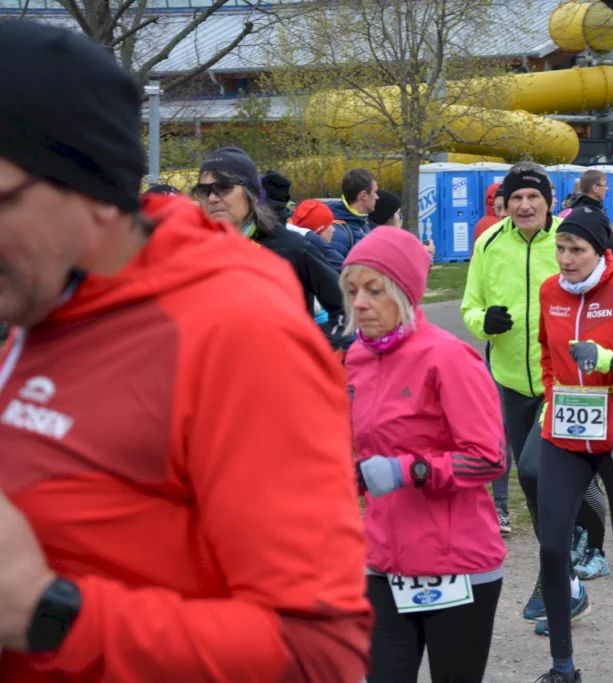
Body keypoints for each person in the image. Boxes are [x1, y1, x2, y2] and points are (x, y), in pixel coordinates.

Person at [0, 21, 372, 681]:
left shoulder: (233, 331)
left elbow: (319, 655)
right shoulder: (31, 294)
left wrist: (51, 613)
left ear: (90, 192)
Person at [344, 226, 505, 683]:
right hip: (383, 560)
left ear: (405, 293)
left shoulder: (448, 358)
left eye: (374, 290)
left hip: (456, 563)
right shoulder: (356, 358)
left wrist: (409, 469)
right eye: (352, 290)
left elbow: (489, 457)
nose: (360, 303)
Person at [461, 162, 601, 621]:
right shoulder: (488, 242)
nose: (524, 205)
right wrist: (486, 322)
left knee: (540, 475)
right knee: (531, 477)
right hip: (508, 380)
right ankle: (561, 574)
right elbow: (470, 306)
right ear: (506, 203)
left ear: (549, 202)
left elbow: (601, 293)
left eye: (533, 197)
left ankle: (561, 569)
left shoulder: (570, 237)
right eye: (517, 197)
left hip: (560, 381)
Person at [533, 205, 613, 683]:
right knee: (551, 548)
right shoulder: (550, 290)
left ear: (600, 251)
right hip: (565, 434)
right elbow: (546, 352)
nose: (566, 259)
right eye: (560, 248)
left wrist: (611, 361)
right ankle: (562, 667)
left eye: (577, 250)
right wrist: (553, 393)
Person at [194, 147, 346, 346]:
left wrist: (306, 349)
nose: (212, 198)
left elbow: (347, 310)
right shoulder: (194, 251)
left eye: (224, 187)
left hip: (280, 374)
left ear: (252, 194)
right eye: (204, 191)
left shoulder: (290, 247)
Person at [564, 170, 613, 249]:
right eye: (605, 184)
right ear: (595, 188)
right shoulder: (591, 214)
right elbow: (602, 248)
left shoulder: (577, 208)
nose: (607, 188)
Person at [328, 168, 378, 261]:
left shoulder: (362, 222)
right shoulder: (337, 233)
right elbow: (334, 272)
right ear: (364, 195)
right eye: (375, 192)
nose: (377, 197)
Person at [368, 189, 435, 259]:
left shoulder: (373, 238)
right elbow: (405, 268)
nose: (401, 217)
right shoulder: (383, 245)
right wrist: (427, 255)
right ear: (387, 217)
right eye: (398, 213)